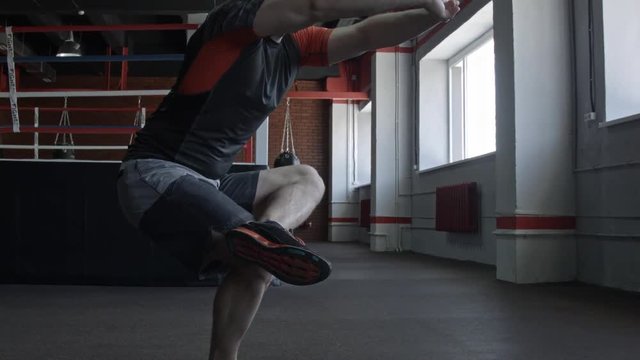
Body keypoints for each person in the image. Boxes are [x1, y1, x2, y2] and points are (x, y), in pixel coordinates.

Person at [117, 0, 460, 358]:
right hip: (154, 173)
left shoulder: (298, 43)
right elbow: (312, 6)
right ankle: (262, 240)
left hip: (208, 182)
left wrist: (431, 14)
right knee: (257, 249)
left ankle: (266, 240)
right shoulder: (231, 23)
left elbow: (366, 33)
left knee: (304, 182)